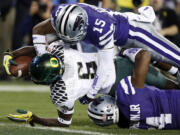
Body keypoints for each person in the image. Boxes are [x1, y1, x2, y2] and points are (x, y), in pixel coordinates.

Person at [27, 3, 180, 104]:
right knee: (149, 59)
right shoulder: (61, 14)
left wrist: (91, 94)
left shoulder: (102, 29)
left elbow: (106, 69)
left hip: (136, 32)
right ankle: (176, 73)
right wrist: (43, 55)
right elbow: (38, 30)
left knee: (175, 56)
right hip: (119, 42)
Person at [6, 40, 178, 127]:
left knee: (150, 105)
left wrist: (35, 118)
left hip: (118, 89)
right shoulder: (59, 51)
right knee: (162, 84)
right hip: (120, 63)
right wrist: (12, 54)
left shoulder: (62, 91)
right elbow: (36, 48)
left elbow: (63, 123)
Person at [88, 48, 180, 129]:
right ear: (109, 107)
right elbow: (144, 55)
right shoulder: (125, 93)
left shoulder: (128, 125)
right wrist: (124, 52)